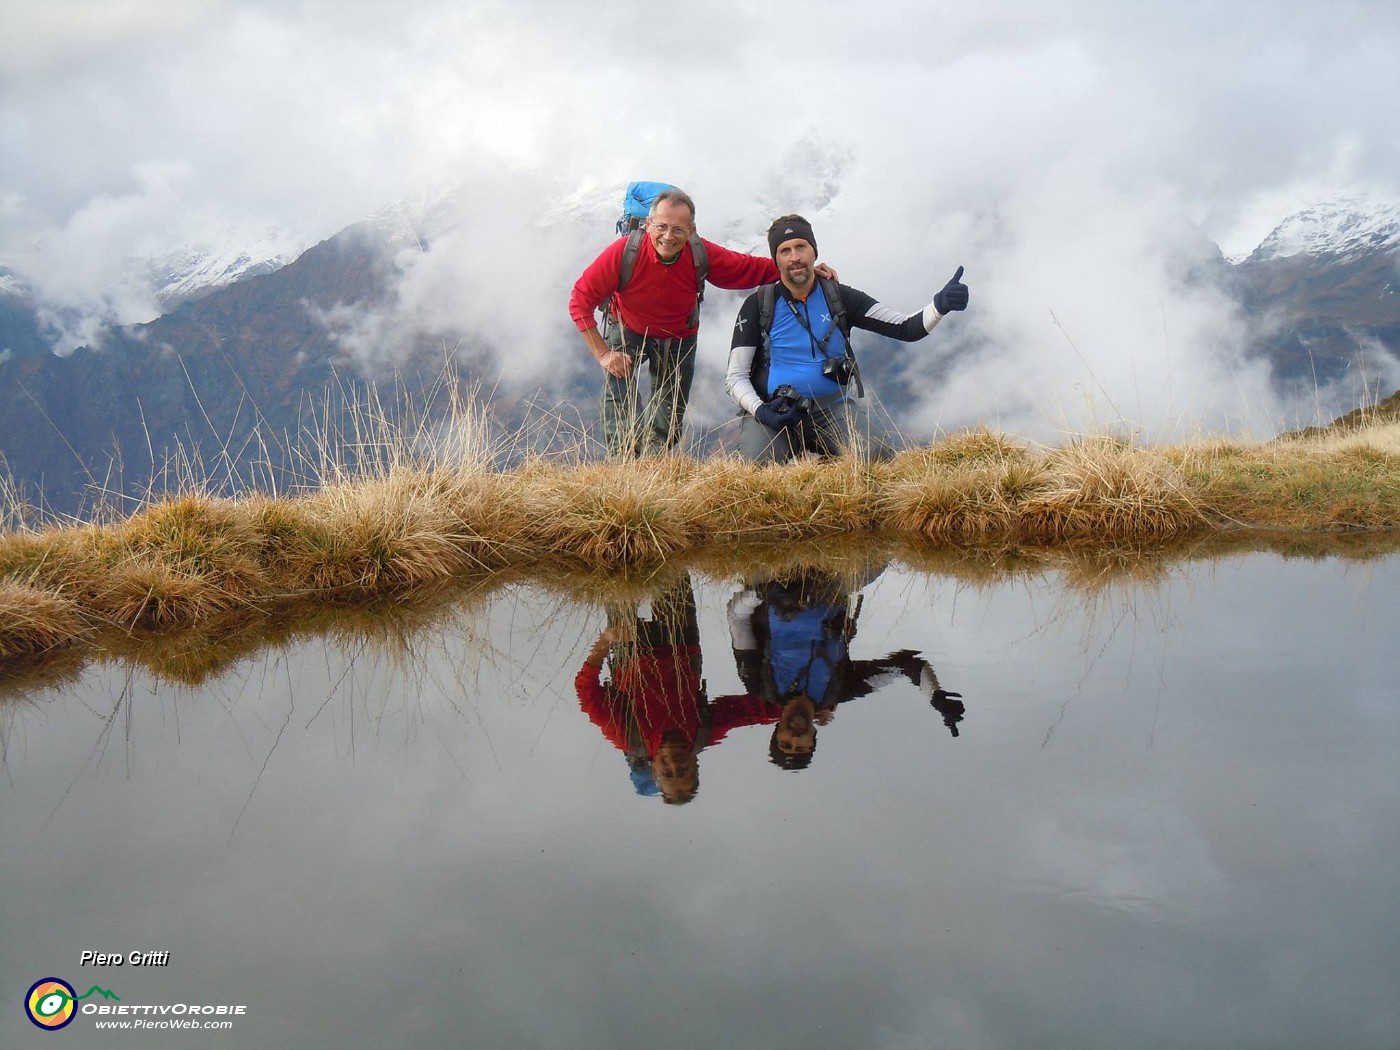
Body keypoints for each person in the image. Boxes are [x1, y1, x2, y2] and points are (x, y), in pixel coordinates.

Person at [569, 189, 832, 459]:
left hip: (679, 335)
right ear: (648, 225)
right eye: (661, 227)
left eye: (678, 230)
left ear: (691, 231)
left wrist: (800, 268)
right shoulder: (624, 253)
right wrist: (603, 354)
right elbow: (580, 300)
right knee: (618, 395)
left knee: (669, 410)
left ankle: (653, 463)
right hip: (627, 328)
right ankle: (623, 462)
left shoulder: (699, 253)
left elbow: (748, 268)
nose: (668, 237)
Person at [726, 214, 969, 463]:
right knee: (754, 467)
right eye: (785, 251)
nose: (795, 257)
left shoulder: (839, 297)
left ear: (814, 251)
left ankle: (830, 467)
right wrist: (761, 411)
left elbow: (907, 328)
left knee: (876, 456)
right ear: (776, 260)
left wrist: (940, 306)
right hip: (774, 410)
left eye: (801, 247)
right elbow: (735, 376)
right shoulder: (758, 305)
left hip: (833, 409)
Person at [721, 567, 965, 771]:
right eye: (801, 745)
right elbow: (906, 665)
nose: (794, 739)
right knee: (879, 559)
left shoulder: (758, 683)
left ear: (777, 731)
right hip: (831, 583)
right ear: (813, 737)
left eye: (786, 744)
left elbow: (737, 618)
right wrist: (938, 698)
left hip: (772, 578)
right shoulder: (841, 688)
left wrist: (762, 594)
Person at [574, 573, 780, 803]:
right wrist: (794, 708)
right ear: (695, 765)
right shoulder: (703, 732)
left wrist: (605, 641)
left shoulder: (630, 739)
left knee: (617, 569)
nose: (674, 764)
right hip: (681, 640)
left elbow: (587, 693)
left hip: (630, 646)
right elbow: (744, 713)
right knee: (673, 566)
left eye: (667, 774)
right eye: (682, 771)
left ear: (654, 772)